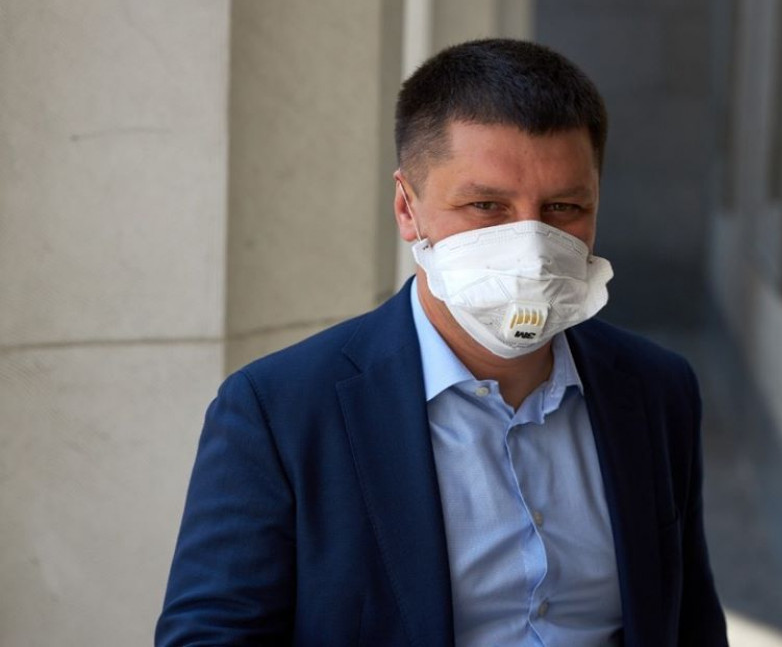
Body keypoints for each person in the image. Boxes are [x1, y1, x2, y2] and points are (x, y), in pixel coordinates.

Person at [156, 38, 728, 646]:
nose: (532, 246)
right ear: (408, 209)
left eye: (564, 207)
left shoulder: (657, 390)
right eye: (486, 205)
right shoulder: (279, 412)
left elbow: (689, 620)